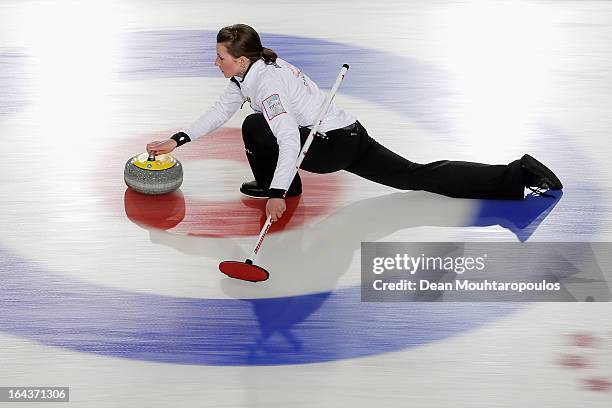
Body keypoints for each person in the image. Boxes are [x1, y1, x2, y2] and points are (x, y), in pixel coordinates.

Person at [146, 24, 563, 222]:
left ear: (240, 58)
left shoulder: (267, 86)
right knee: (415, 175)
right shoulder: (253, 70)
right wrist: (177, 140)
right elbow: (219, 110)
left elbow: (289, 139)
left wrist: (276, 192)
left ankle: (285, 186)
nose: (213, 61)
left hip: (325, 146)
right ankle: (515, 175)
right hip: (350, 132)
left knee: (257, 126)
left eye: (219, 56)